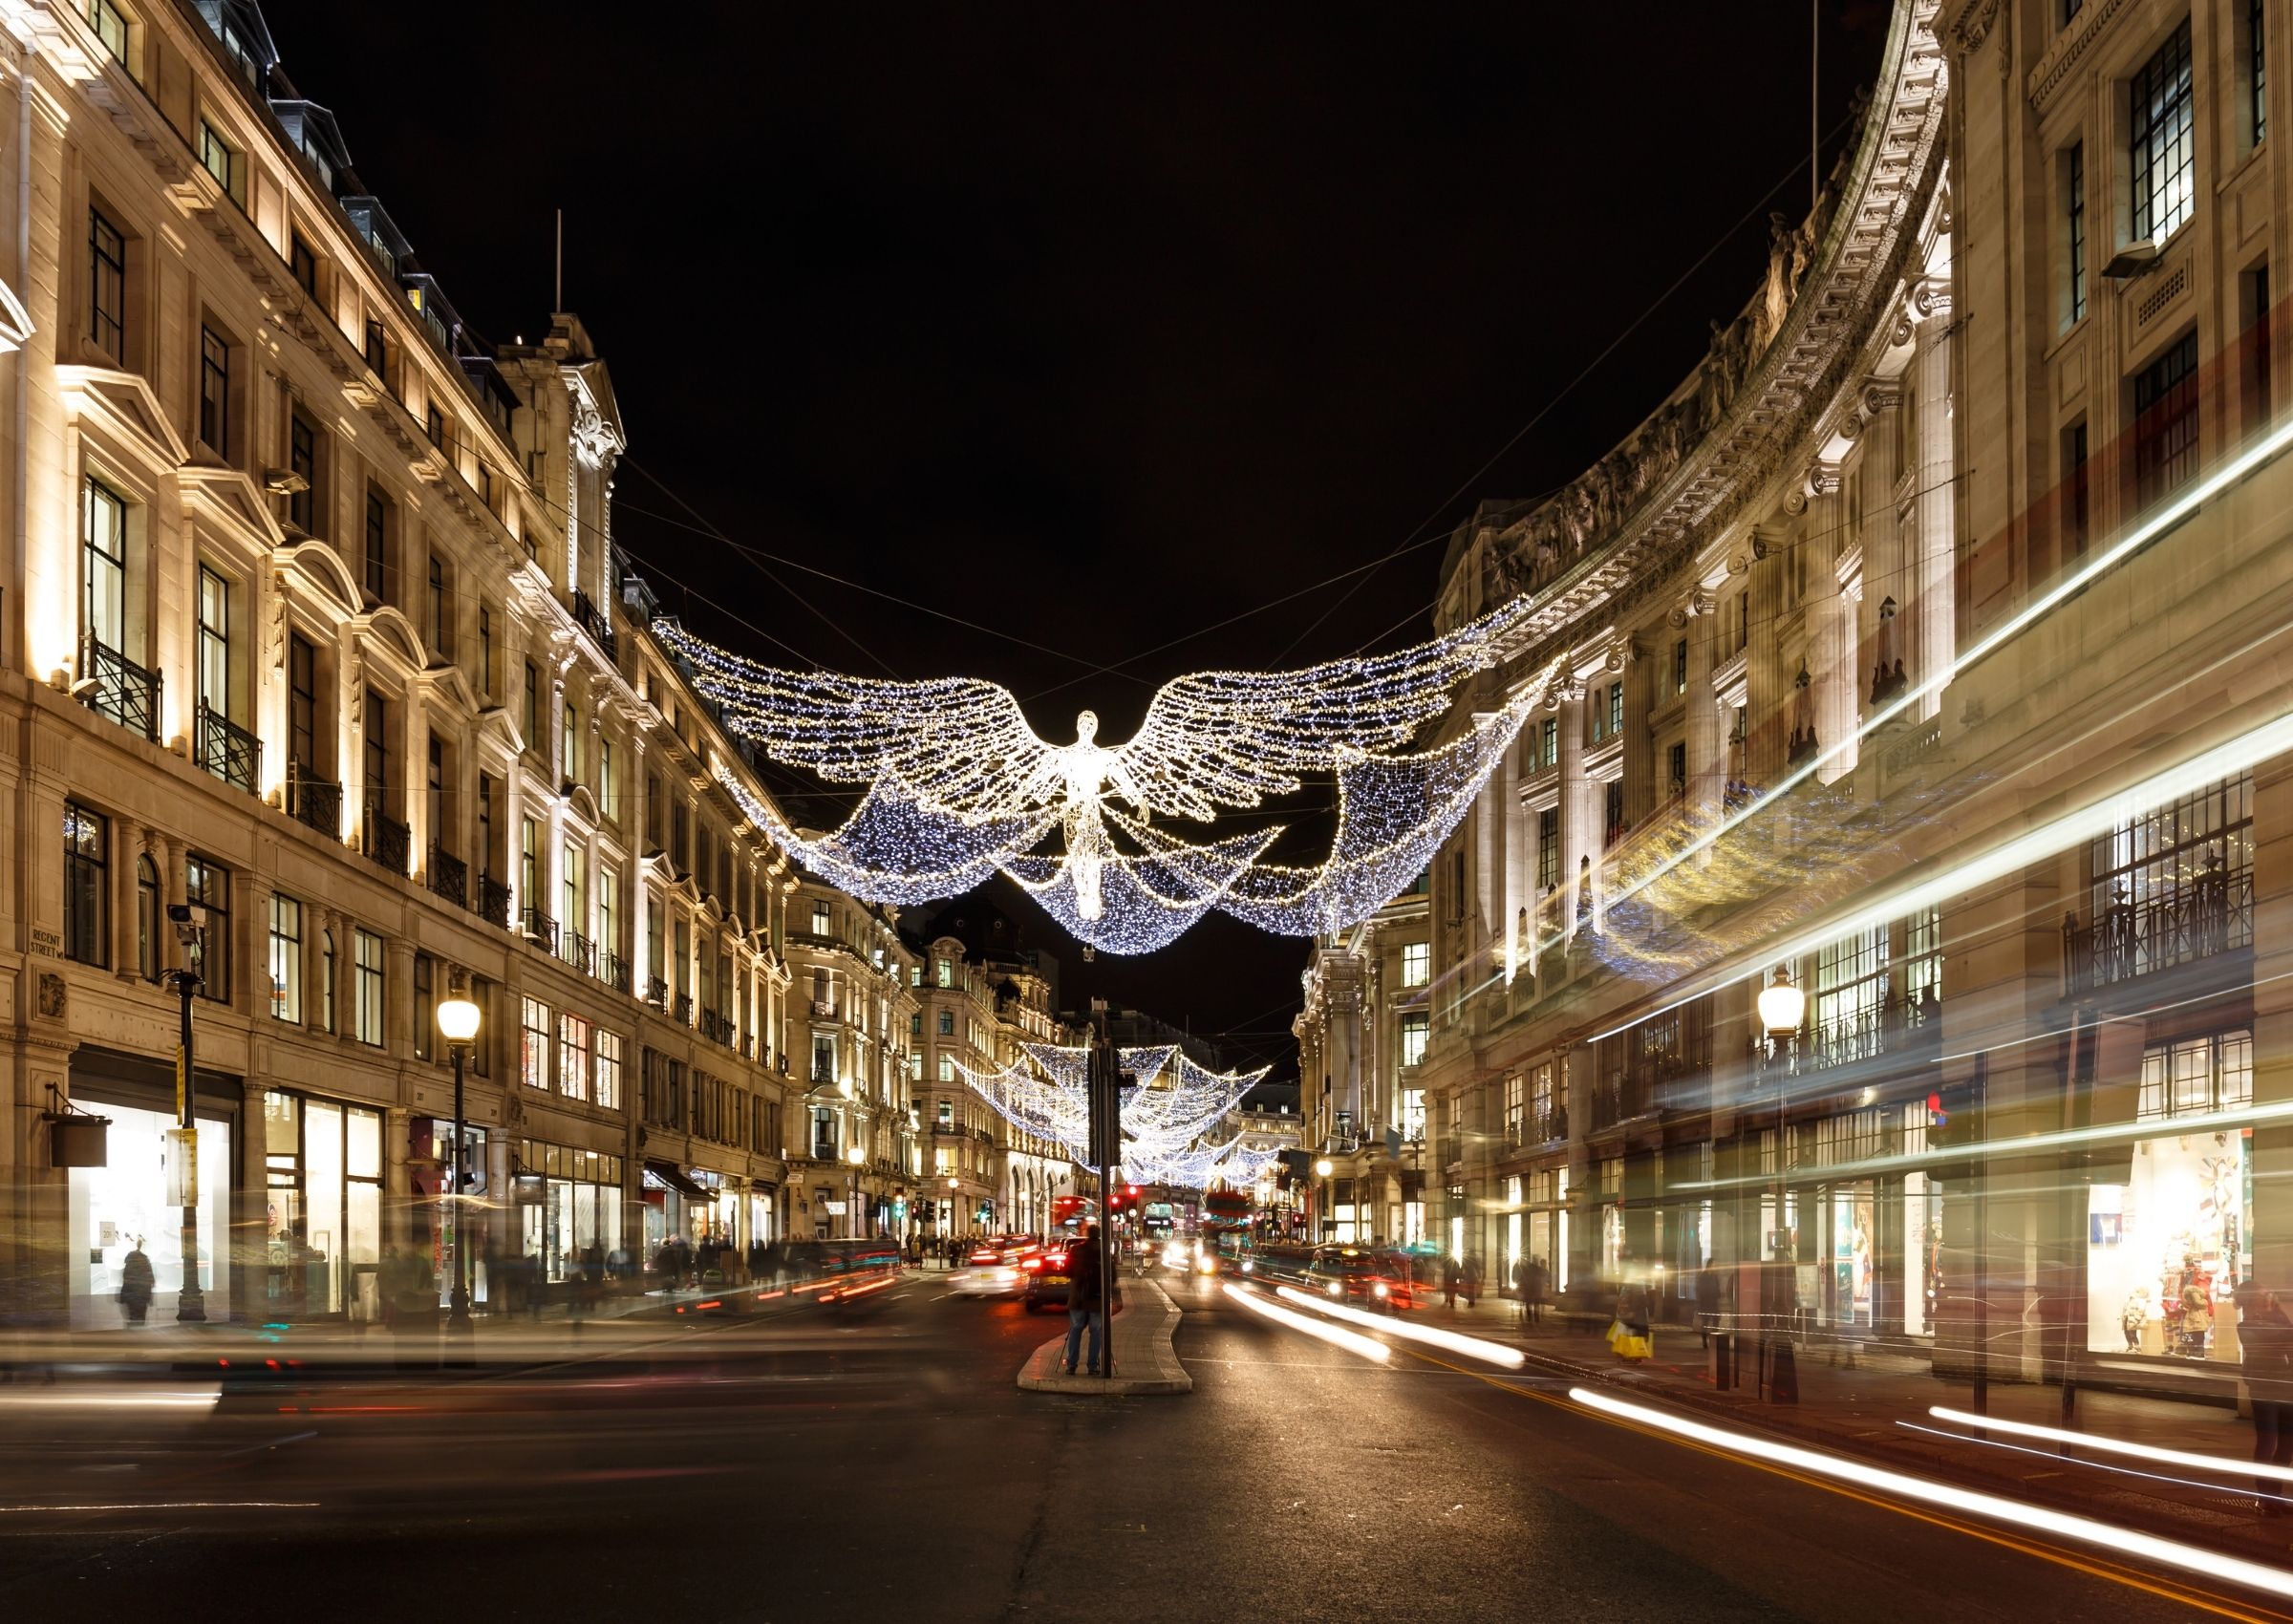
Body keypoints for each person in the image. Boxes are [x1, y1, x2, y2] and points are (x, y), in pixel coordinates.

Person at [2239, 1278, 2293, 1511]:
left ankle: (2276, 1495)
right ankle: (2265, 1497)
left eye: (2269, 1293)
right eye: (2263, 1295)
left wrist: (2277, 1313)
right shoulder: (2246, 1326)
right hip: (2264, 1390)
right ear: (2252, 1301)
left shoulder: (2280, 1319)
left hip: (2288, 1389)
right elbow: (2275, 1343)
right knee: (2267, 1442)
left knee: (2287, 1445)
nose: (2269, 1296)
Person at [1063, 1226, 1105, 1376]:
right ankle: (1093, 1366)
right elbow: (1111, 1275)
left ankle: (1071, 1365)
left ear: (1087, 1234)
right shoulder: (1103, 1249)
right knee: (1095, 1332)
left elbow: (1066, 1271)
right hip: (1096, 1298)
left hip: (1078, 1297)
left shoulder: (1075, 1250)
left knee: (1076, 1329)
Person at [118, 1238, 154, 1326]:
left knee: (132, 1315)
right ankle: (139, 1334)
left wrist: (123, 1296)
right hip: (142, 1294)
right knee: (141, 1316)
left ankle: (133, 1333)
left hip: (131, 1294)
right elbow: (150, 1279)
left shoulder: (129, 1262)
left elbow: (125, 1278)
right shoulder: (145, 1260)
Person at [1524, 1255, 1550, 1330]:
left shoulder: (1528, 1268)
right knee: (1535, 1304)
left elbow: (1524, 1277)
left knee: (1529, 1304)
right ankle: (1536, 1317)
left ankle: (1530, 1317)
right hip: (1535, 1289)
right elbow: (1543, 1275)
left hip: (1530, 1289)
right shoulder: (1537, 1269)